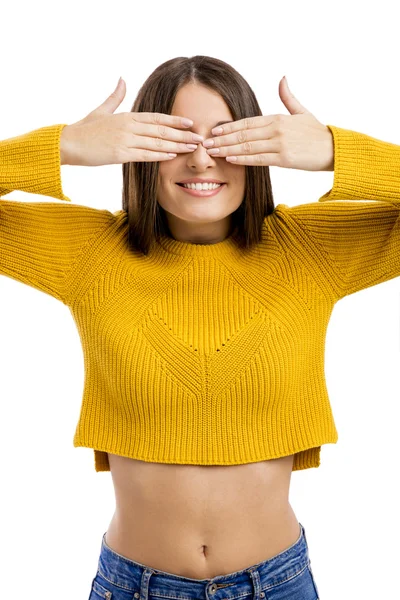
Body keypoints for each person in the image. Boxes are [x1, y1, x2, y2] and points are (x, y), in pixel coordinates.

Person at [1, 55, 399, 600]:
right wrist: (61, 147)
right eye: (174, 139)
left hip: (278, 584)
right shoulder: (91, 254)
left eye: (227, 138)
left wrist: (339, 152)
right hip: (131, 586)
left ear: (264, 147)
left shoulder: (309, 251)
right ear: (135, 149)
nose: (201, 159)